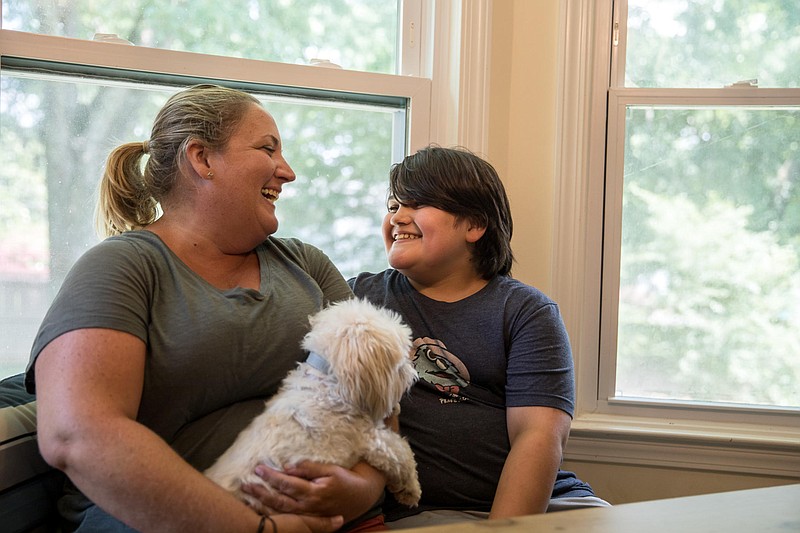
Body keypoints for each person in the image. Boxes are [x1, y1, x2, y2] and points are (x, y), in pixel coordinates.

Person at [25, 84, 387, 533]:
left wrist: (362, 489)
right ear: (202, 158)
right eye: (268, 149)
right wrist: (256, 530)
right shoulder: (123, 267)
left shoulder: (306, 265)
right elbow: (76, 436)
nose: (287, 172)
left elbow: (379, 399)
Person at [347, 146, 610, 528]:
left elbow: (537, 437)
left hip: (542, 504)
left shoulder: (525, 311)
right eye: (392, 206)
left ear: (474, 224)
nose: (397, 217)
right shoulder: (360, 299)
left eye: (417, 204)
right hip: (417, 513)